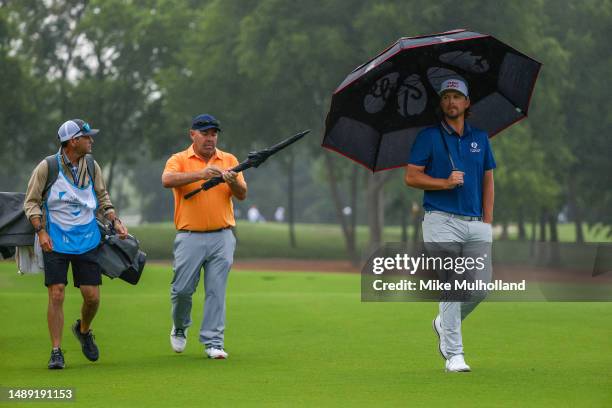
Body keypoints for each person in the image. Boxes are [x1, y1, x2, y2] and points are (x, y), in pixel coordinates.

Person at [404, 79, 496, 372]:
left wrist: (488, 220)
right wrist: (444, 183)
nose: (451, 102)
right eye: (446, 97)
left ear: (467, 103)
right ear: (441, 103)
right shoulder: (429, 137)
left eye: (457, 97)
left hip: (475, 222)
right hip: (440, 219)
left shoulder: (480, 138)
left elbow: (488, 180)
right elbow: (412, 177)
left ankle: (443, 323)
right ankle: (454, 355)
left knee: (480, 287)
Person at [24, 119, 128, 369]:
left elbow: (102, 197)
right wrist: (40, 232)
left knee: (92, 298)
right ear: (73, 141)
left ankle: (83, 330)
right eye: (87, 137)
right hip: (55, 240)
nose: (91, 140)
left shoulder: (92, 165)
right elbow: (31, 202)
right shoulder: (47, 166)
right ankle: (56, 350)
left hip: (88, 239)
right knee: (56, 293)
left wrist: (115, 220)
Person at [162, 114, 247, 359]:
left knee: (216, 291)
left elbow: (242, 193)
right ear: (193, 134)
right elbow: (167, 180)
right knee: (182, 291)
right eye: (205, 133)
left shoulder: (229, 159)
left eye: (214, 133)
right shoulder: (179, 159)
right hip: (190, 236)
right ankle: (179, 326)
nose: (210, 138)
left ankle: (213, 343)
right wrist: (202, 174)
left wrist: (231, 182)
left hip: (222, 236)